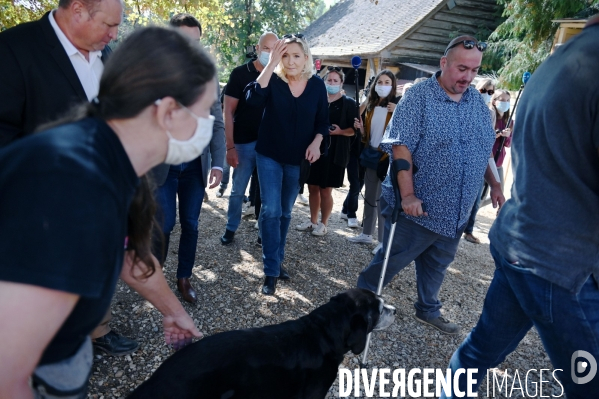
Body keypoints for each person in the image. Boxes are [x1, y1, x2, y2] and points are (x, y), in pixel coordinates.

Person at [0, 26, 210, 399]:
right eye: (205, 110)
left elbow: (129, 253)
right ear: (166, 111)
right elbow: (7, 371)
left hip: (63, 351)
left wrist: (174, 312)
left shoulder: (113, 159)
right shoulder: (73, 180)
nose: (208, 124)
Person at [441, 16, 599, 398]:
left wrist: (495, 184)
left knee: (481, 349)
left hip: (523, 241)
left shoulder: (564, 56)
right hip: (564, 263)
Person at [0, 0, 140, 356]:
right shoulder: (14, 49)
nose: (114, 34)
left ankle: (95, 332)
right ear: (78, 10)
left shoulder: (108, 55)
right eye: (109, 25)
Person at [356, 35, 505, 334]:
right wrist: (408, 194)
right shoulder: (418, 97)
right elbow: (401, 148)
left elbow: (484, 147)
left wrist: (496, 185)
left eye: (474, 70)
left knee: (437, 264)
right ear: (444, 63)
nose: (468, 77)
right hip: (417, 207)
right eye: (462, 68)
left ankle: (427, 309)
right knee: (390, 260)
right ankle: (359, 306)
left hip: (455, 211)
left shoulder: (476, 100)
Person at [245, 34, 329, 295]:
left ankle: (277, 260)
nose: (290, 61)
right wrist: (270, 65)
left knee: (285, 212)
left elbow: (322, 123)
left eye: (296, 55)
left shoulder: (316, 86)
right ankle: (270, 270)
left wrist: (317, 143)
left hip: (297, 160)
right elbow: (253, 99)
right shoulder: (274, 80)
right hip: (269, 154)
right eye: (285, 55)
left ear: (306, 58)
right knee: (270, 209)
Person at [151, 13, 225, 304]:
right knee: (165, 223)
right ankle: (155, 276)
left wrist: (218, 162)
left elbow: (217, 123)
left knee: (191, 224)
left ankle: (184, 278)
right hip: (163, 165)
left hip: (195, 166)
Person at [219, 32, 278, 245]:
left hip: (269, 144)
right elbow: (227, 112)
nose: (270, 54)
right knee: (237, 190)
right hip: (243, 143)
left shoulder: (279, 76)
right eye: (266, 48)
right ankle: (230, 227)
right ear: (257, 47)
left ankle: (263, 234)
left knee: (266, 193)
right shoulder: (240, 74)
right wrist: (230, 146)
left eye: (275, 48)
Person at [296, 66, 356, 236]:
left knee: (326, 190)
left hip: (335, 153)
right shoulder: (317, 100)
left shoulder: (348, 104)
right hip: (314, 150)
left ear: (341, 83)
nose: (331, 83)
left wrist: (339, 131)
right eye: (329, 80)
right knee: (312, 187)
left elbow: (354, 130)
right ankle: (313, 221)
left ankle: (324, 223)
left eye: (335, 80)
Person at [347, 69, 399, 255]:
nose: (382, 86)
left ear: (393, 85)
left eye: (387, 82)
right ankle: (366, 233)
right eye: (380, 82)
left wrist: (399, 112)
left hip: (388, 159)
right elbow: (367, 135)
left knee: (383, 200)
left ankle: (383, 241)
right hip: (371, 155)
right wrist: (361, 130)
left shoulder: (399, 105)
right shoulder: (370, 105)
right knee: (370, 197)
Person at [463, 78, 497, 244]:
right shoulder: (463, 106)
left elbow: (487, 141)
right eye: (484, 91)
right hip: (461, 160)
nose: (487, 95)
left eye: (490, 92)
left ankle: (468, 230)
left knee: (476, 200)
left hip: (478, 163)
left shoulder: (490, 114)